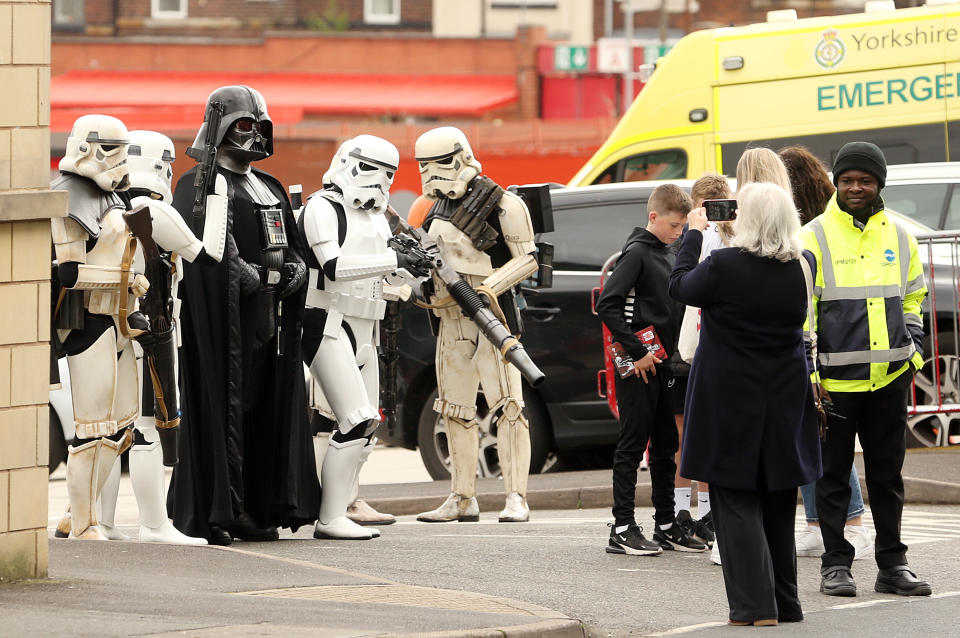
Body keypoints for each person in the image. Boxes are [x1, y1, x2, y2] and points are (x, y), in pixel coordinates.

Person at [168, 85, 320, 545]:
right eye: (244, 125)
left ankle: (260, 504)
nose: (254, 136)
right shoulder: (199, 183)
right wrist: (253, 278)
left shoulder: (267, 185)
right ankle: (223, 509)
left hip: (269, 320)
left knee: (266, 408)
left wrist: (292, 271)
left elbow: (290, 243)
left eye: (260, 126)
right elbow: (210, 250)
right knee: (230, 408)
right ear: (220, 126)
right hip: (227, 322)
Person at [670, 182, 821, 626]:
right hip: (784, 394)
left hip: (731, 394)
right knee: (777, 497)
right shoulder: (803, 265)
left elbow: (680, 286)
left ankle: (755, 607)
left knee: (735, 497)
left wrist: (694, 234)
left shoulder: (724, 264)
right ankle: (785, 603)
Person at [66, 130, 227, 545]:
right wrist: (219, 196)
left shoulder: (108, 207)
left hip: (117, 323)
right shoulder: (150, 209)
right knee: (148, 428)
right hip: (147, 327)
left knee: (114, 429)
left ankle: (97, 519)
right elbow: (209, 255)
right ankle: (154, 524)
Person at [803, 141, 932, 597]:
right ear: (836, 183)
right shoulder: (813, 236)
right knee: (833, 478)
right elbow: (804, 312)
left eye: (865, 180)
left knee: (887, 477)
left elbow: (914, 296)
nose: (855, 187)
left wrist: (912, 348)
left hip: (890, 381)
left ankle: (892, 566)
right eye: (847, 180)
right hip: (835, 385)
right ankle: (835, 566)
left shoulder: (900, 236)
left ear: (879, 184)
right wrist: (811, 376)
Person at [299, 135, 426, 539]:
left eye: (388, 173)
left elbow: (384, 272)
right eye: (370, 168)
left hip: (366, 327)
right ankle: (329, 517)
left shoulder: (375, 217)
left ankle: (339, 507)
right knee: (354, 419)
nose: (378, 181)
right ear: (347, 162)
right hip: (327, 321)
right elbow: (333, 265)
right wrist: (394, 259)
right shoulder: (322, 207)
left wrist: (411, 267)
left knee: (367, 426)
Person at [413, 126, 540, 524]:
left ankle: (516, 496)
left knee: (510, 407)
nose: (432, 173)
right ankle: (462, 496)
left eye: (439, 163)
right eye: (424, 166)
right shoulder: (431, 208)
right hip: (451, 317)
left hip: (492, 314)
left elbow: (529, 258)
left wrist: (488, 289)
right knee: (454, 408)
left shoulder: (504, 204)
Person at [50, 114, 150, 540]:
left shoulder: (117, 198)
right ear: (85, 146)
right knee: (92, 429)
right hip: (87, 321)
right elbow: (69, 274)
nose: (119, 159)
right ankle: (85, 521)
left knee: (122, 426)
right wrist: (128, 281)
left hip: (123, 319)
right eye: (110, 148)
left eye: (122, 149)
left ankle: (78, 512)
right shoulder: (66, 198)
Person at [597, 183, 706, 556]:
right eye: (675, 226)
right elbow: (608, 305)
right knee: (632, 443)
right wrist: (637, 349)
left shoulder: (665, 251)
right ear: (653, 216)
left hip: (663, 363)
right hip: (639, 364)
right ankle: (622, 526)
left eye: (682, 228)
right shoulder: (637, 254)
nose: (679, 233)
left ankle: (665, 523)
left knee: (665, 444)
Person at [779, 145, 872, 561]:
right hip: (836, 338)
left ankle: (847, 520)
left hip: (816, 342)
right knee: (821, 433)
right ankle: (827, 522)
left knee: (822, 433)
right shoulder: (825, 220)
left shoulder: (807, 230)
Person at [671, 174, 731, 547]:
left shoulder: (696, 238)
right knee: (707, 435)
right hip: (713, 346)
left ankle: (688, 511)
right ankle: (704, 512)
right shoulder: (730, 236)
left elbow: (681, 283)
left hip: (691, 346)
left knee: (688, 437)